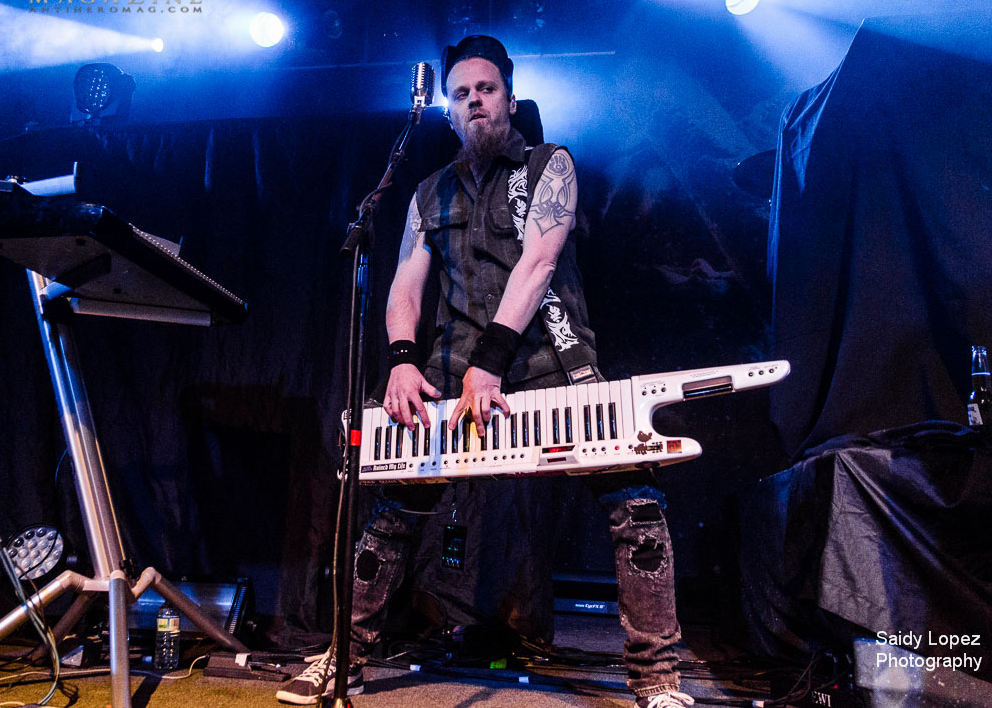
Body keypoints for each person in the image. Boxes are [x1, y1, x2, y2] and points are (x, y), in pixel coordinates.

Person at [277, 35, 693, 708]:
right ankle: (343, 657)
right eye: (462, 93)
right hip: (452, 375)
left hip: (552, 365)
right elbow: (405, 288)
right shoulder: (426, 193)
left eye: (487, 89)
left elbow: (539, 263)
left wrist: (489, 364)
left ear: (510, 97)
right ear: (447, 110)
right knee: (392, 512)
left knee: (635, 499)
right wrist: (402, 362)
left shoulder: (551, 165)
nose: (475, 101)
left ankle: (658, 680)